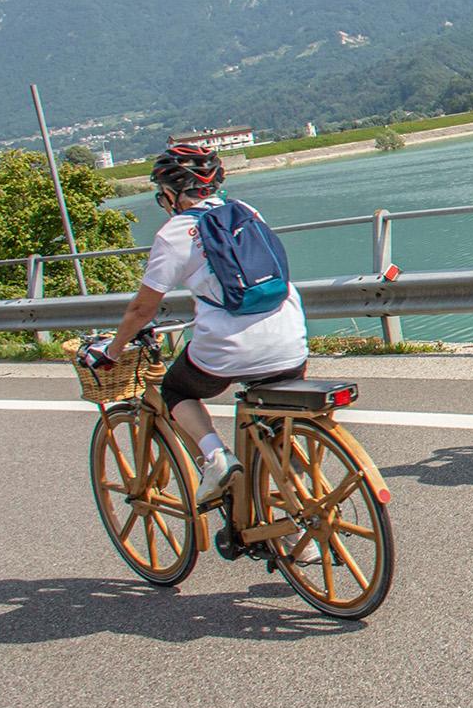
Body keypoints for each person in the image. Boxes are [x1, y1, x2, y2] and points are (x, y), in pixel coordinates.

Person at [83, 143, 310, 505]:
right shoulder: (248, 212)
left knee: (176, 390)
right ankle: (298, 510)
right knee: (275, 423)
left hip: (228, 348)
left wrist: (111, 351)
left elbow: (142, 310)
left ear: (170, 194)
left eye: (161, 195)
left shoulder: (176, 233)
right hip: (290, 339)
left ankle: (215, 457)